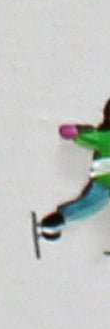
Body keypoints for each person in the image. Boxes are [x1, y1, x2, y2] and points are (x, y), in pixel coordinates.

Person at [36, 99, 110, 244]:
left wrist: (76, 132)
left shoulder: (104, 138)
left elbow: (75, 134)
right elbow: (77, 134)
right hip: (103, 182)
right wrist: (77, 132)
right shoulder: (105, 138)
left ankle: (57, 221)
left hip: (103, 182)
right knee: (92, 205)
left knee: (92, 204)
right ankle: (55, 222)